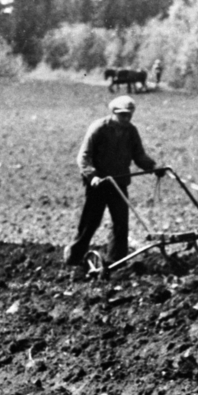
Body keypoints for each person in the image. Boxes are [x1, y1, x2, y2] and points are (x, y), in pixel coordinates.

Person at [64, 95, 162, 267]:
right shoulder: (99, 128)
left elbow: (138, 155)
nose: (126, 118)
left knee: (121, 224)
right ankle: (73, 258)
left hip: (119, 182)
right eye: (122, 115)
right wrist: (92, 176)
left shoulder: (131, 131)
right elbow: (84, 157)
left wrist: (153, 167)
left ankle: (116, 262)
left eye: (129, 115)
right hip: (99, 183)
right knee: (90, 223)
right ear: (114, 113)